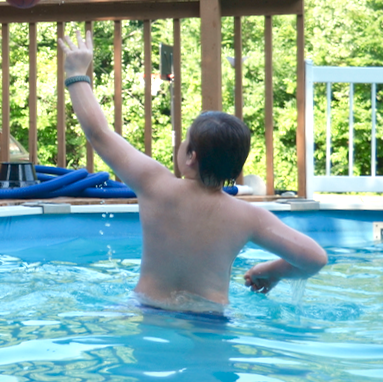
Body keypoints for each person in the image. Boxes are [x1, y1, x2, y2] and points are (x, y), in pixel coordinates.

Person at [59, 28, 327, 314]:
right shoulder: (249, 217)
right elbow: (314, 258)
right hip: (208, 319)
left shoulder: (155, 185)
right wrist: (272, 271)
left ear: (191, 158)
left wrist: (77, 75)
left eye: (184, 141)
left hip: (149, 308)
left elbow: (99, 134)